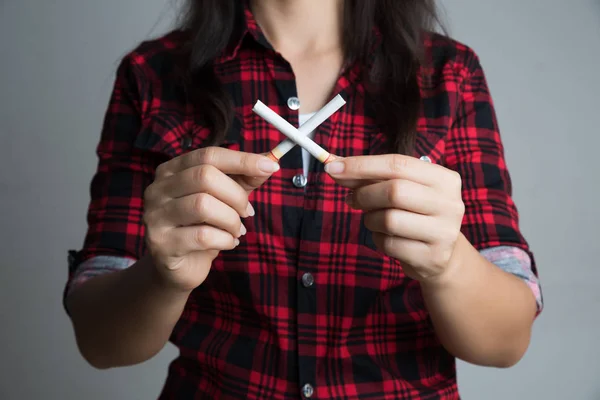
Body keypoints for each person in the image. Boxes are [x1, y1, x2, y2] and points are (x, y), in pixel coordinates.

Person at [64, 0, 543, 398]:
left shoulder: (449, 73)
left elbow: (504, 345)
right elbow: (102, 343)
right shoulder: (153, 74)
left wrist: (449, 264)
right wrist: (164, 277)